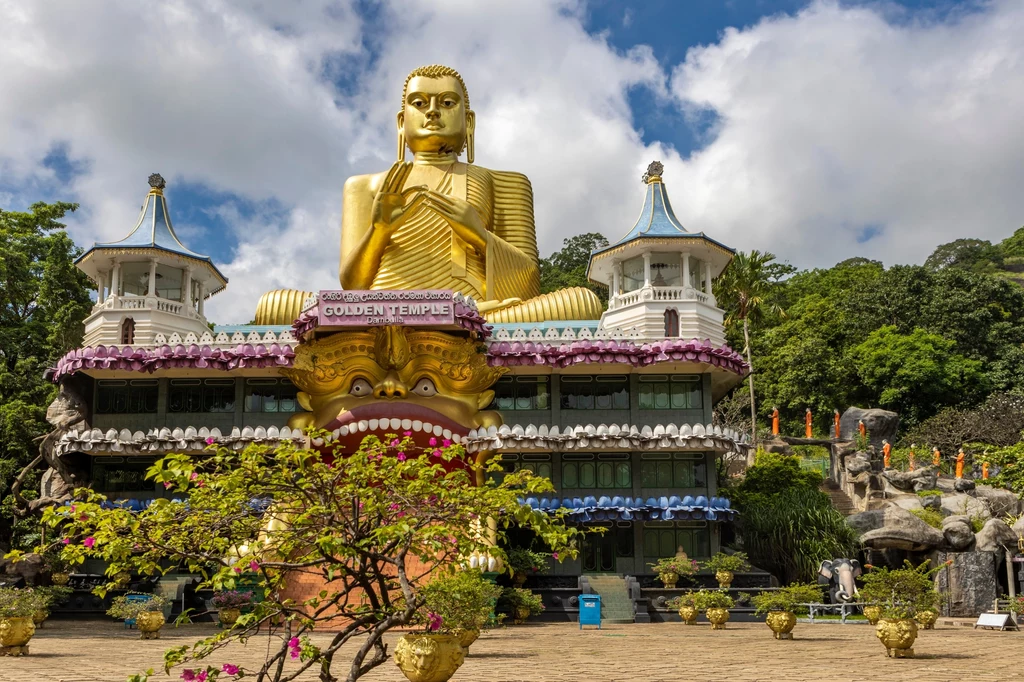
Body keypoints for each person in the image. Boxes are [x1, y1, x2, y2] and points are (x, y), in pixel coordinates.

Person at [254, 64, 602, 325]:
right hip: (377, 311)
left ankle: (454, 317)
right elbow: (353, 287)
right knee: (273, 305)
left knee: (582, 303)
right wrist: (379, 232)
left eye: (447, 102)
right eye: (419, 103)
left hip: (474, 311)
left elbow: (526, 286)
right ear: (401, 122)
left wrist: (480, 237)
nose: (432, 110)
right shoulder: (365, 186)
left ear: (468, 121)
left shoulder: (503, 181)